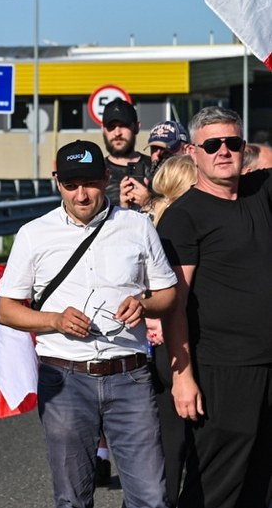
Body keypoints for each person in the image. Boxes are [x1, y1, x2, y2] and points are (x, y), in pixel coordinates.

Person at [0, 139, 177, 508]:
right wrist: (54, 320)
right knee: (72, 499)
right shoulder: (34, 234)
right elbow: (6, 309)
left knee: (152, 498)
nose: (82, 194)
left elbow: (168, 294)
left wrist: (144, 304)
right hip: (65, 378)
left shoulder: (138, 227)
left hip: (130, 376)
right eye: (71, 184)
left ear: (106, 177)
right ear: (57, 182)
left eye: (91, 183)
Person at [158, 106, 272, 508]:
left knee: (263, 482)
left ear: (245, 149)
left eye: (233, 143)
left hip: (267, 364)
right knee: (219, 484)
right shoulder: (184, 216)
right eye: (212, 144)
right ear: (192, 152)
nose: (224, 151)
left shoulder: (262, 191)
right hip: (223, 369)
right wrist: (182, 377)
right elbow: (175, 304)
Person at [144, 154, 197, 507]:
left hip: (159, 353)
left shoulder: (151, 226)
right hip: (180, 350)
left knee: (163, 451)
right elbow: (177, 298)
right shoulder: (181, 229)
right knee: (183, 450)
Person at [100, 99, 152, 211]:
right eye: (111, 126)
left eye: (123, 125)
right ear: (103, 129)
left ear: (137, 127)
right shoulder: (96, 171)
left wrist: (150, 203)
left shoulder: (156, 168)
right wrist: (122, 210)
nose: (117, 133)